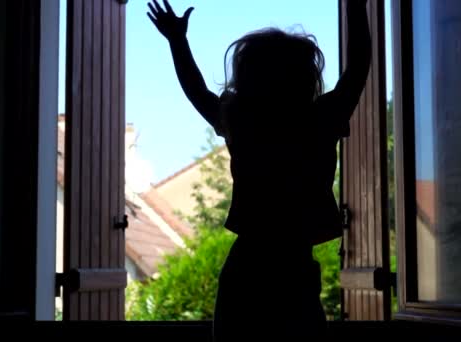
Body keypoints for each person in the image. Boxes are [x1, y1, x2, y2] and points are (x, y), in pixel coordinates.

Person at [147, 0, 371, 340]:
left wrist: (178, 41)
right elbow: (357, 69)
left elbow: (197, 92)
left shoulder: (242, 121)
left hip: (246, 266)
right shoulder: (318, 121)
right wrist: (356, 8)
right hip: (295, 265)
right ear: (304, 77)